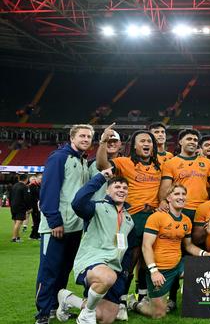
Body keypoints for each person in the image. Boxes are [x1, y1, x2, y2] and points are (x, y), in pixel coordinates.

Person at [57, 170, 134, 324]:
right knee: (107, 277)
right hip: (92, 261)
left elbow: (127, 249)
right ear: (107, 190)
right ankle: (86, 316)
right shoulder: (96, 207)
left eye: (125, 188)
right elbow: (77, 202)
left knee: (105, 318)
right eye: (117, 186)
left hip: (114, 268)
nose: (121, 190)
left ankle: (68, 298)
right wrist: (100, 178)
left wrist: (124, 272)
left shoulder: (128, 219)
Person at [35, 124, 93, 324]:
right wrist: (55, 221)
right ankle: (42, 313)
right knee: (49, 271)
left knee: (63, 270)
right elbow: (49, 190)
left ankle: (54, 306)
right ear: (72, 137)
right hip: (56, 227)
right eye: (82, 135)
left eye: (89, 136)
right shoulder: (59, 157)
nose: (86, 139)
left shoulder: (82, 161)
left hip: (75, 227)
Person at [97, 127, 162, 303]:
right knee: (129, 259)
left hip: (153, 217)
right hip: (130, 218)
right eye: (142, 141)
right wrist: (103, 142)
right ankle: (121, 298)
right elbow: (102, 165)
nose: (147, 143)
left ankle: (142, 295)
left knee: (146, 258)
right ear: (133, 146)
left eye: (149, 141)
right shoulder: (124, 162)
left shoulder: (160, 165)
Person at [131, 184, 210, 319]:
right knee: (158, 314)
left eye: (183, 194)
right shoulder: (156, 217)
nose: (181, 197)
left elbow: (188, 246)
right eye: (177, 194)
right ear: (168, 198)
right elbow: (146, 246)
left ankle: (194, 304)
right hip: (160, 269)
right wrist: (154, 271)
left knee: (203, 270)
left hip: (177, 266)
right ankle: (134, 303)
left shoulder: (186, 221)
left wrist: (204, 254)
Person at [160, 129, 210, 221]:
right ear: (180, 142)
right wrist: (163, 201)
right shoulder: (170, 163)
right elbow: (165, 187)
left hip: (203, 208)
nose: (192, 142)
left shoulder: (207, 163)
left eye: (195, 140)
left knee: (201, 235)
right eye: (189, 139)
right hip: (180, 207)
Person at [89, 130, 122, 201]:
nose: (112, 144)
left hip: (120, 207)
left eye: (115, 141)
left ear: (120, 144)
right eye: (108, 141)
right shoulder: (90, 164)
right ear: (102, 143)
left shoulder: (127, 163)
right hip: (97, 207)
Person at [10, 173, 30, 243]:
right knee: (19, 222)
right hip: (20, 207)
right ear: (26, 179)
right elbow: (26, 198)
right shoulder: (24, 187)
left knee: (16, 222)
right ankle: (14, 238)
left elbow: (10, 196)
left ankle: (17, 237)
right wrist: (29, 207)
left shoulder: (14, 186)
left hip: (13, 206)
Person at [28, 174, 42, 240]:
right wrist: (30, 207)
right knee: (37, 220)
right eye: (40, 179)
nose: (41, 180)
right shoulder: (32, 186)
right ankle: (36, 235)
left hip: (37, 206)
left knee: (37, 221)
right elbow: (31, 198)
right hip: (34, 207)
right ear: (37, 179)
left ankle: (33, 235)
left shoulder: (37, 186)